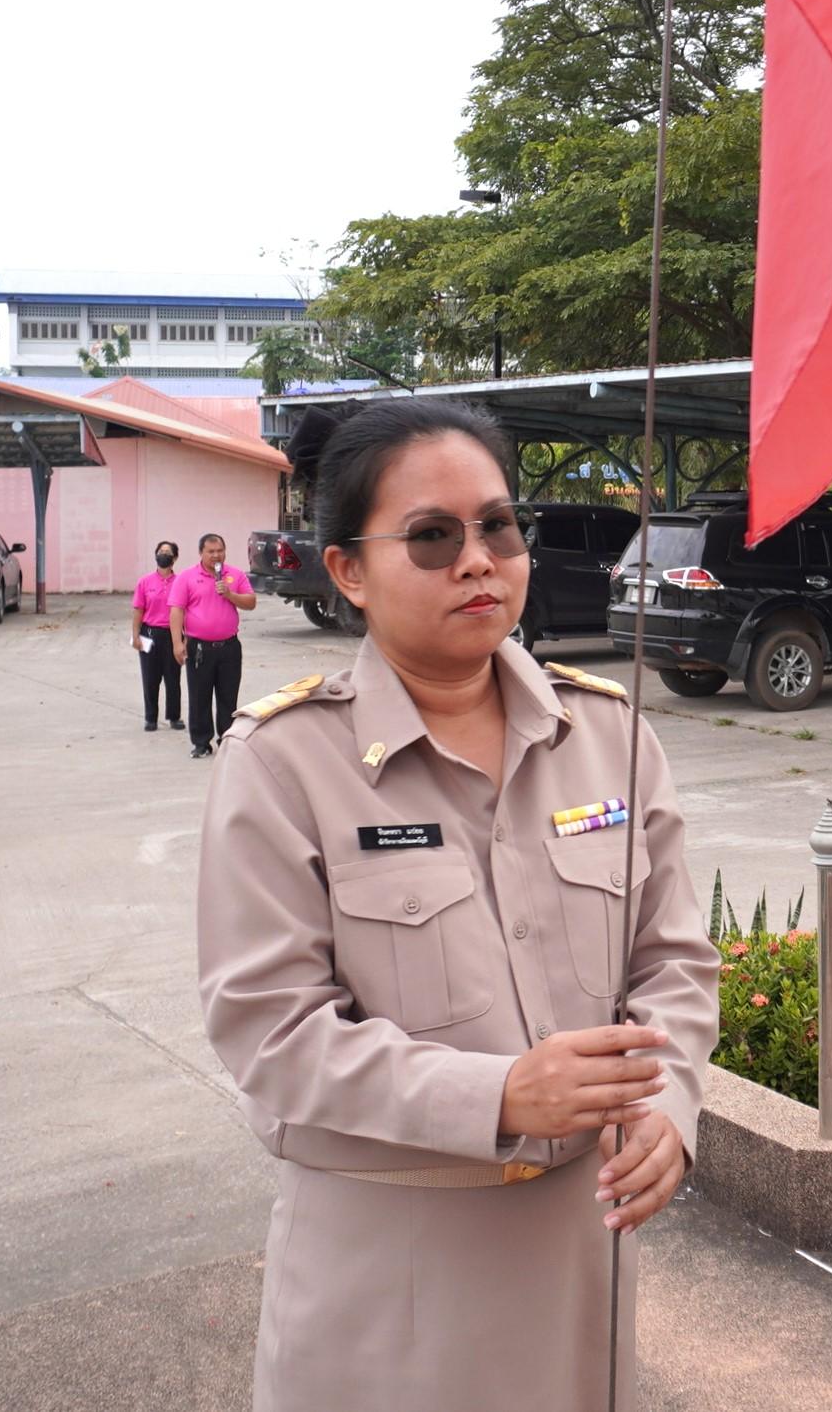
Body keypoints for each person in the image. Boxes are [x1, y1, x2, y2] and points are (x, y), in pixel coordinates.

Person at [196, 399, 716, 1412]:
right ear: (346, 569)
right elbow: (268, 1030)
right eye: (432, 537)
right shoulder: (286, 762)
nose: (478, 559)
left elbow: (674, 962)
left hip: (578, 1257)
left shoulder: (609, 735)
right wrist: (496, 1097)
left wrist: (672, 1105)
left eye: (497, 527)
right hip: (391, 1273)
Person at [170, 533, 255, 759]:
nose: (216, 555)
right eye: (211, 551)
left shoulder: (234, 575)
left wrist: (230, 594)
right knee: (200, 696)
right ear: (201, 553)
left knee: (228, 696)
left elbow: (251, 602)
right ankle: (201, 742)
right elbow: (176, 610)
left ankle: (227, 739)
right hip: (199, 647)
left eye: (220, 551)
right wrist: (177, 643)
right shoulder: (187, 577)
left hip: (229, 647)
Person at [132, 540, 185, 733]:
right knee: (150, 678)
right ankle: (150, 718)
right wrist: (135, 635)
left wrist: (184, 639)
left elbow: (184, 611)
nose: (164, 554)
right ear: (155, 555)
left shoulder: (181, 582)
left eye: (168, 552)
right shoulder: (145, 582)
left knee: (173, 679)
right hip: (149, 634)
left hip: (173, 635)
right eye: (160, 551)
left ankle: (174, 716)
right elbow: (138, 610)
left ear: (175, 558)